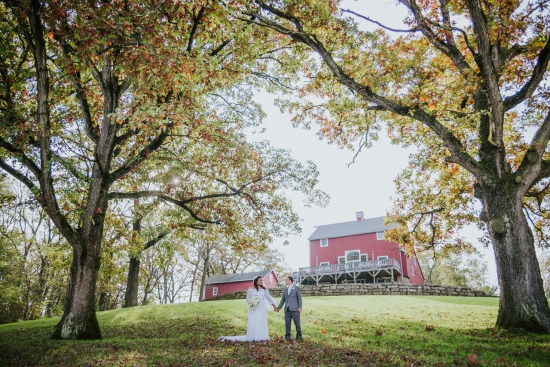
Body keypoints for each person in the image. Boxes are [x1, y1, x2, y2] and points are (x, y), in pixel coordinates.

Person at [219, 276, 278, 342]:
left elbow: (269, 298)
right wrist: (252, 303)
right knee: (254, 321)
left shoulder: (264, 289)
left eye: (262, 280)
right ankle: (253, 336)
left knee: (261, 321)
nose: (262, 282)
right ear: (256, 281)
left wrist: (274, 306)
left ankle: (262, 336)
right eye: (260, 280)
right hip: (254, 308)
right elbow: (247, 299)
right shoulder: (250, 289)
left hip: (262, 307)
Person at [277, 275, 302, 341]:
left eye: (286, 280)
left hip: (295, 309)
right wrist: (279, 307)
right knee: (287, 324)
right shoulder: (285, 289)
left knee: (297, 323)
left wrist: (300, 307)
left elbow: (300, 299)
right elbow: (283, 299)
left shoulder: (296, 288)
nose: (285, 281)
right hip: (287, 310)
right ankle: (287, 337)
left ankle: (299, 336)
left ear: (290, 280)